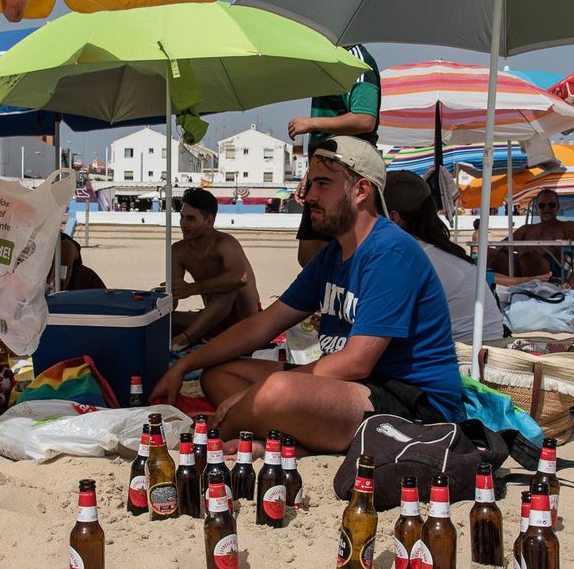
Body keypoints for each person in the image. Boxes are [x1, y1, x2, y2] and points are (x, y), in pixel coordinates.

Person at [151, 137, 461, 452]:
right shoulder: (333, 255)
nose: (309, 196)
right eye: (311, 184)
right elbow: (262, 325)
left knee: (275, 391)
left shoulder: (390, 252)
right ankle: (287, 439)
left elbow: (357, 363)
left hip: (412, 400)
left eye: (323, 184)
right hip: (355, 386)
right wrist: (184, 365)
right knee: (219, 375)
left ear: (361, 191)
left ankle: (230, 435)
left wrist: (256, 394)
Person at [383, 171, 503, 346]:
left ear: (394, 218)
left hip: (464, 359)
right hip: (485, 351)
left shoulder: (411, 259)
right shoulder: (440, 251)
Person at [287, 44, 380, 267]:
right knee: (311, 255)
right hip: (330, 168)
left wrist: (310, 124)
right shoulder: (332, 61)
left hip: (346, 171)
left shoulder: (356, 61)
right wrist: (313, 172)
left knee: (336, 252)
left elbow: (365, 118)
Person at [167, 187, 260, 350]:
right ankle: (187, 337)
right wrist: (167, 295)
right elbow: (173, 302)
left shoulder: (225, 243)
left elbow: (240, 277)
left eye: (190, 219)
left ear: (209, 221)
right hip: (209, 322)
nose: (183, 224)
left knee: (229, 286)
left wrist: (191, 289)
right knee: (160, 321)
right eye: (181, 217)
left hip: (245, 323)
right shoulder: (178, 251)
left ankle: (185, 339)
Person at [489, 189, 574, 279]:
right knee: (489, 253)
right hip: (518, 264)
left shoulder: (568, 226)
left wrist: (550, 249)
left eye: (551, 205)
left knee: (529, 258)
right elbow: (502, 245)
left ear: (558, 207)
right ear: (536, 208)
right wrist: (523, 248)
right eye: (542, 205)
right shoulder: (526, 229)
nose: (546, 208)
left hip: (552, 267)